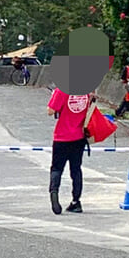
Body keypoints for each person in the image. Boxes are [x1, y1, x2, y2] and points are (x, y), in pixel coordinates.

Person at [47, 85, 92, 214]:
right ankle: (76, 201)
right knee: (76, 169)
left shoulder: (62, 90)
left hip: (62, 136)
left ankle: (54, 193)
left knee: (56, 168)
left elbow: (50, 111)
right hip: (79, 136)